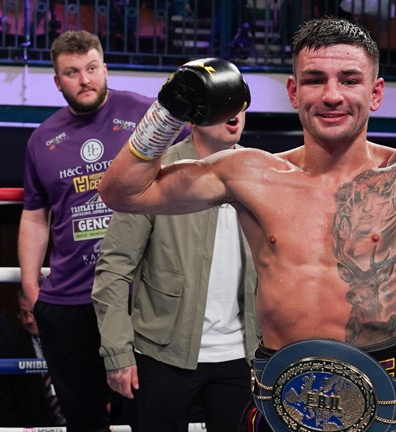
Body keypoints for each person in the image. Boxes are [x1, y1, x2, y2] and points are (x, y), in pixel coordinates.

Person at [98, 17, 396, 432]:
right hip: (277, 395)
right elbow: (122, 191)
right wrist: (168, 110)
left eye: (349, 79)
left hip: (385, 389)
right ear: (293, 91)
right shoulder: (248, 171)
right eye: (314, 79)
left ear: (374, 93)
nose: (331, 95)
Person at [17, 30, 156, 432]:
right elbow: (34, 215)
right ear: (58, 81)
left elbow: (200, 159)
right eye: (72, 72)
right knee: (83, 419)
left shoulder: (145, 115)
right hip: (68, 300)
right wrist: (29, 284)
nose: (85, 79)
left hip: (135, 296)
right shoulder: (42, 139)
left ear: (105, 68)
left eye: (92, 68)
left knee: (142, 415)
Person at [92, 112, 259, 432]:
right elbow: (114, 267)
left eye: (240, 101)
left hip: (243, 357)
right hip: (162, 355)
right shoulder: (154, 173)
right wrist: (117, 352)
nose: (233, 111)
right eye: (221, 102)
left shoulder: (262, 172)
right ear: (195, 115)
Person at [0, 289, 66, 426]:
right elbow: (4, 402)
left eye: (33, 312)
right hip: (31, 425)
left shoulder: (70, 338)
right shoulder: (8, 346)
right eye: (24, 314)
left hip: (75, 424)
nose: (29, 320)